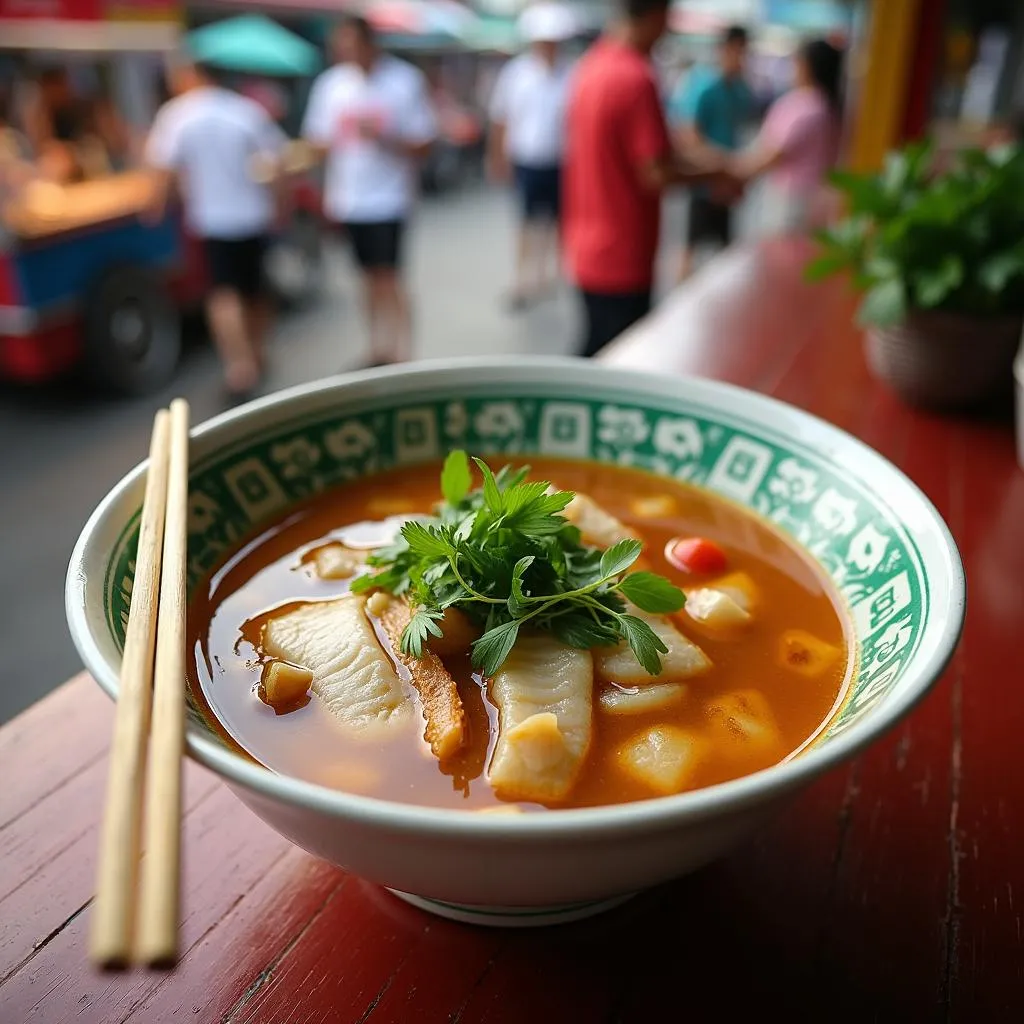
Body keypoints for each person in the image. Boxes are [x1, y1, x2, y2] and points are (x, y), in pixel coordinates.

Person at [563, 0, 733, 358]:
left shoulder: (590, 67)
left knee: (596, 348)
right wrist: (718, 171)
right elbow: (655, 172)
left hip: (585, 244)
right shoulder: (636, 77)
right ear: (656, 16)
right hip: (623, 252)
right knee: (617, 359)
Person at [145, 55, 287, 398]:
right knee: (254, 291)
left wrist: (153, 207)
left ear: (193, 75)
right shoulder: (244, 111)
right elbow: (276, 162)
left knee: (224, 294)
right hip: (252, 216)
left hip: (212, 221)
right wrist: (281, 207)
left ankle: (240, 366)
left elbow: (161, 168)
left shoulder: (177, 115)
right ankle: (257, 353)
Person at [302, 16, 437, 366]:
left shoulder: (403, 81)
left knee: (390, 277)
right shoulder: (330, 86)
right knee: (365, 279)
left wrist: (384, 138)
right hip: (348, 199)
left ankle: (403, 351)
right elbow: (317, 142)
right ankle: (377, 346)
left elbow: (423, 145)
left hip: (390, 199)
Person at [487, 3, 577, 308]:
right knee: (525, 221)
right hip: (526, 158)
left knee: (553, 221)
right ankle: (522, 277)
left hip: (561, 160)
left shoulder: (571, 74)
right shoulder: (517, 74)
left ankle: (547, 274)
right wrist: (497, 157)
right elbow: (501, 118)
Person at [733, 39, 844, 236]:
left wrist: (735, 174)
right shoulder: (827, 105)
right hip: (815, 195)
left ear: (807, 66)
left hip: (792, 200)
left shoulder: (804, 106)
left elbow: (775, 154)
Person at [669, 25, 754, 279]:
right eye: (737, 51)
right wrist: (723, 165)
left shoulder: (740, 90)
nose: (740, 57)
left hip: (724, 181)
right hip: (705, 182)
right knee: (690, 247)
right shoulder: (703, 84)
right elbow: (689, 135)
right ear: (725, 50)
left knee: (725, 250)